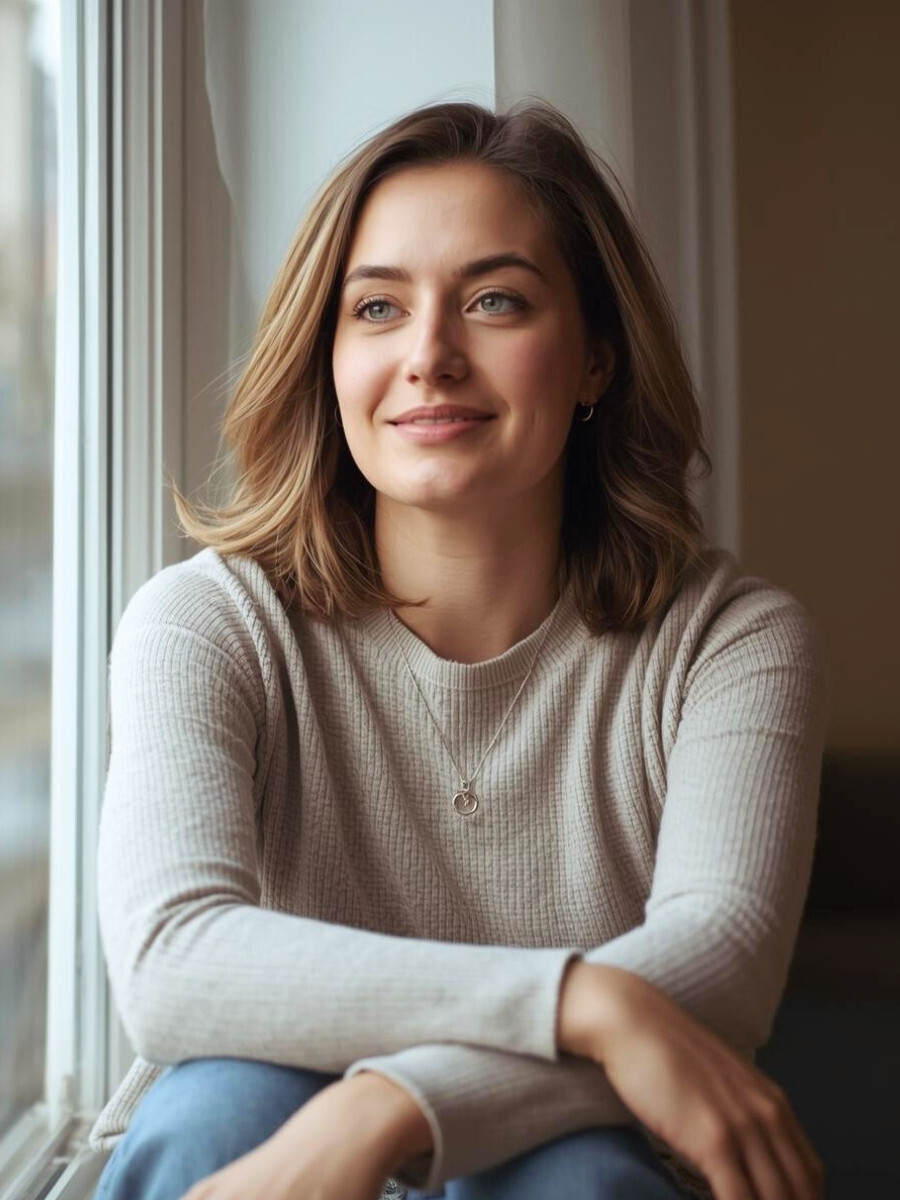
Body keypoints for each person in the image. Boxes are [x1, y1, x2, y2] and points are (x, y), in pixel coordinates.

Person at [89, 99, 828, 1200]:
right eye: (377, 307)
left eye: (495, 301)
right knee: (219, 1111)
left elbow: (716, 972)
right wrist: (590, 1004)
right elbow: (171, 969)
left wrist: (386, 1109)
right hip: (251, 1165)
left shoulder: (731, 641)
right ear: (326, 354)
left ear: (595, 363)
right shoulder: (206, 623)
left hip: (576, 1163)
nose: (429, 357)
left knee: (584, 1175)